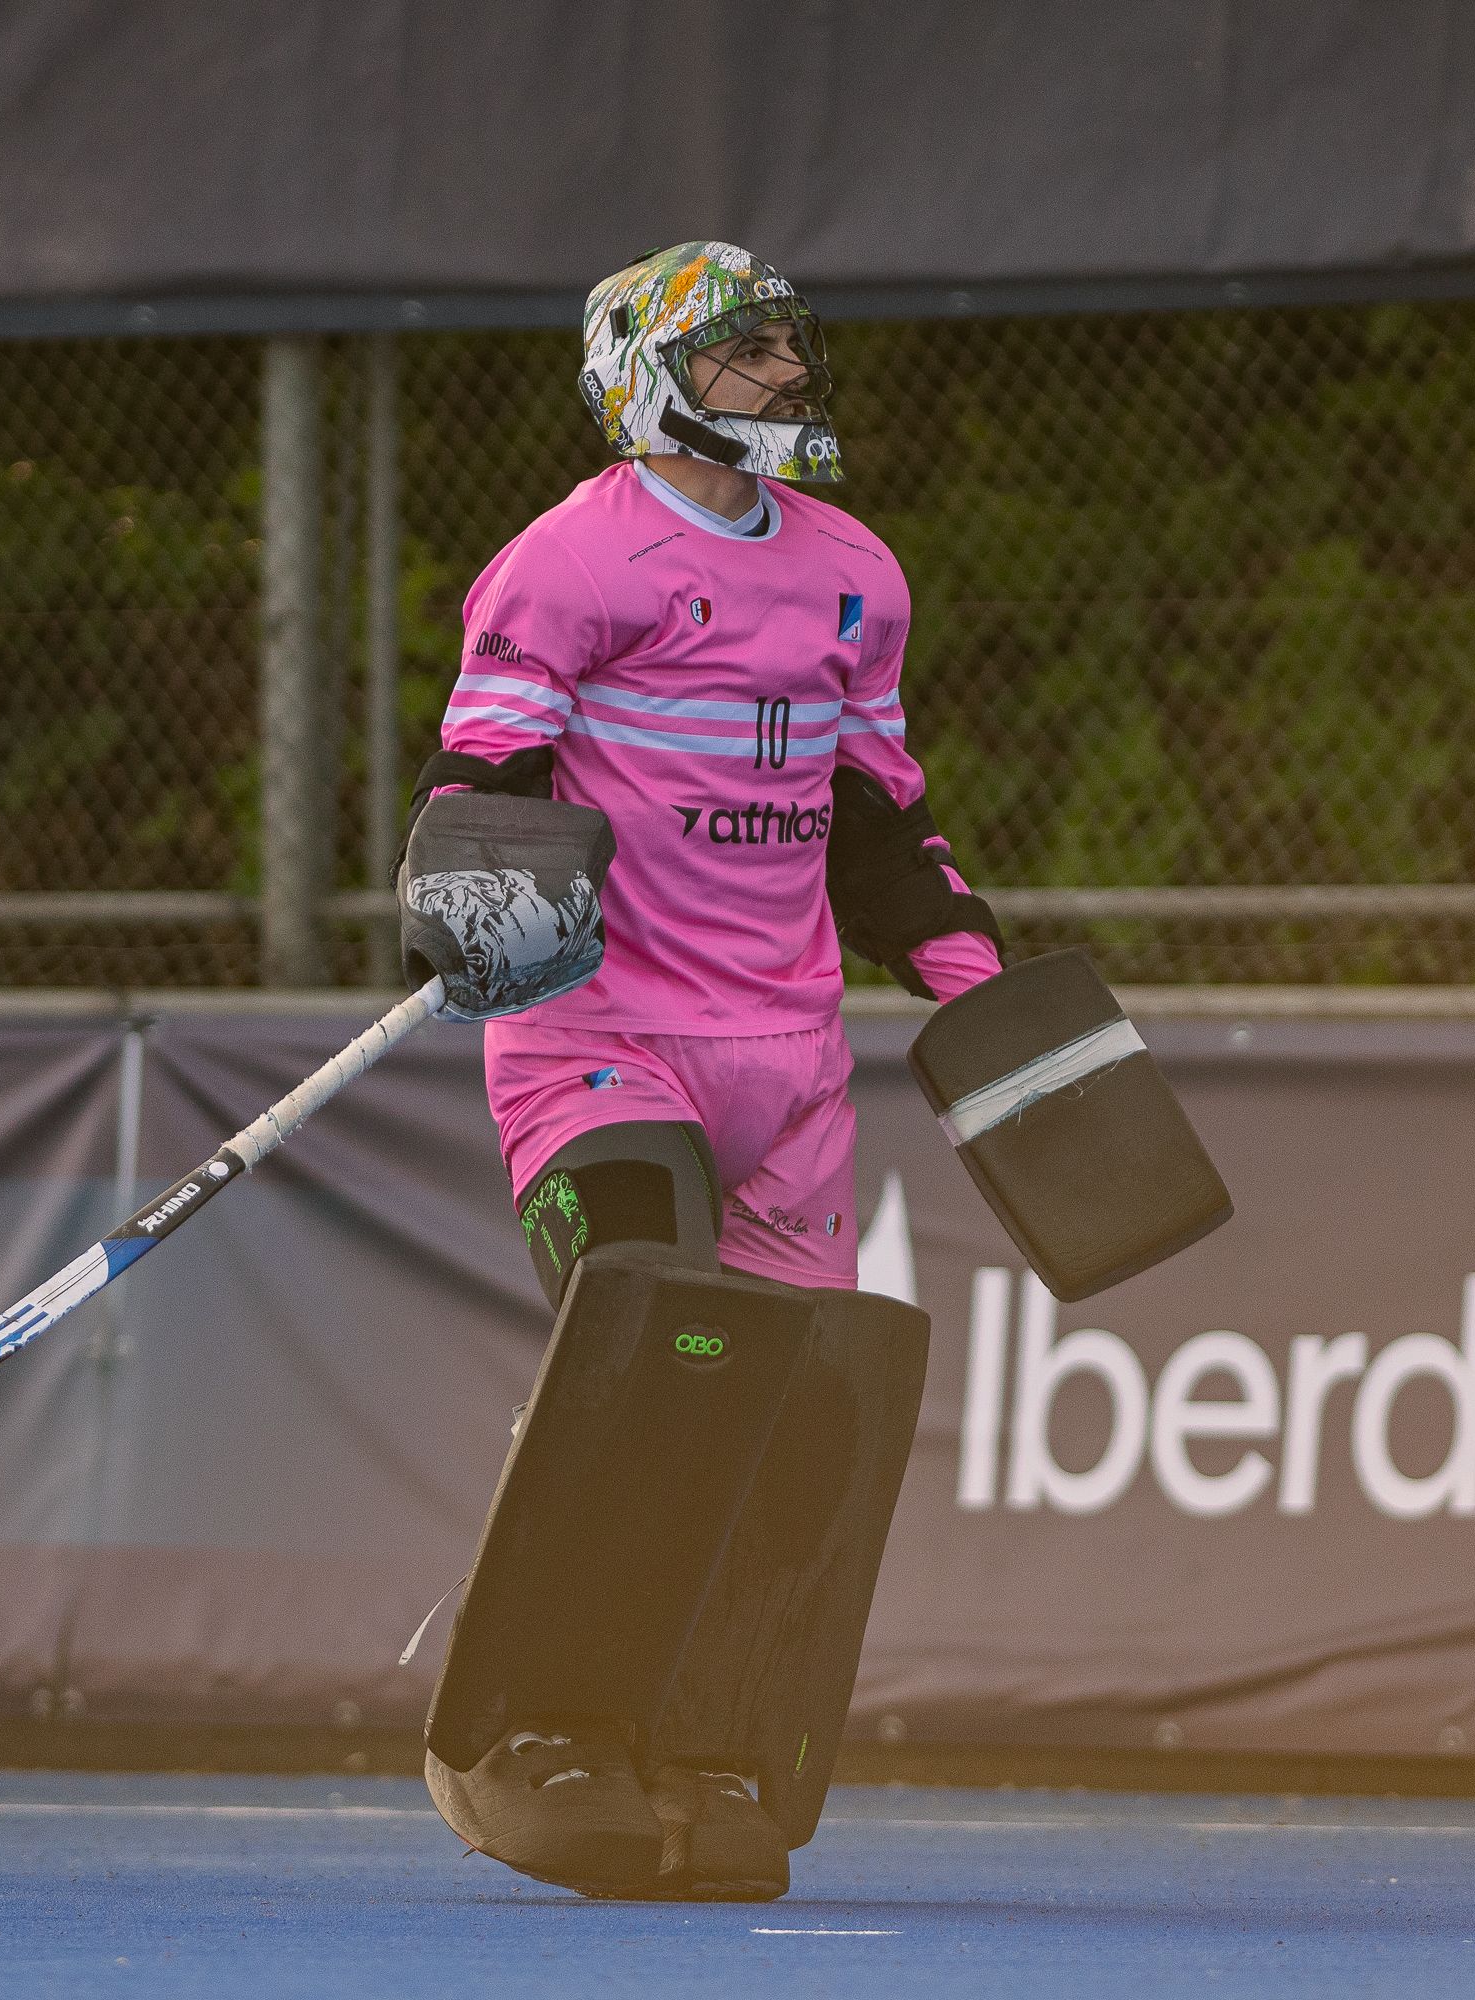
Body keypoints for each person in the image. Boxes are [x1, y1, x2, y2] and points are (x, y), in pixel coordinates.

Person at [398, 242, 1005, 1902]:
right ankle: (530, 1733)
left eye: (792, 348)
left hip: (790, 1065)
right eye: (749, 356)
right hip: (602, 1039)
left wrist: (973, 979)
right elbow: (486, 775)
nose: (791, 377)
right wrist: (468, 906)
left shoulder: (856, 574)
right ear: (651, 379)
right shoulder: (564, 566)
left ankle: (702, 1743)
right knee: (660, 1342)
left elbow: (878, 824)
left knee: (786, 1416)